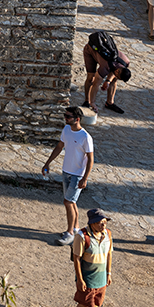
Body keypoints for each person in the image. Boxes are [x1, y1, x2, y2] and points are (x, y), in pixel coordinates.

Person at [39, 105, 96, 245]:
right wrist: (47, 163)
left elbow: (90, 159)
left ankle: (69, 233)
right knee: (71, 202)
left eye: (68, 117)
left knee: (68, 201)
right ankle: (76, 229)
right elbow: (59, 146)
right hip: (67, 171)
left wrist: (85, 178)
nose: (65, 118)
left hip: (78, 174)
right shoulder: (66, 130)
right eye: (65, 116)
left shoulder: (85, 137)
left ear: (77, 119)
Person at [71, 209, 115, 307]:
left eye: (105, 222)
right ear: (93, 223)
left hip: (101, 275)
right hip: (88, 276)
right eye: (100, 222)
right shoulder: (82, 236)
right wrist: (80, 279)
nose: (104, 225)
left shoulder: (107, 234)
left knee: (96, 302)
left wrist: (108, 273)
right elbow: (77, 258)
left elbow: (109, 254)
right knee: (84, 302)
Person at [84, 30, 132, 114]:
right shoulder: (105, 68)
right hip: (90, 51)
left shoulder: (126, 62)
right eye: (118, 76)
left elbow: (114, 73)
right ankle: (87, 101)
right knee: (91, 78)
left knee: (114, 80)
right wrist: (93, 102)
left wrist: (108, 81)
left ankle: (110, 103)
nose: (117, 77)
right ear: (117, 71)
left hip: (108, 61)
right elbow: (96, 85)